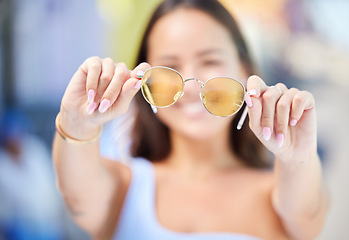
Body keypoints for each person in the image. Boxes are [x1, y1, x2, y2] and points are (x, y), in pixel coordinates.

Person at [52, 0, 329, 239]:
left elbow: (306, 212)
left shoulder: (281, 193)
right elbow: (76, 194)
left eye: (209, 61)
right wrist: (76, 122)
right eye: (170, 67)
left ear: (244, 70)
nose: (192, 85)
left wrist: (297, 158)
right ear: (145, 81)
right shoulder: (124, 187)